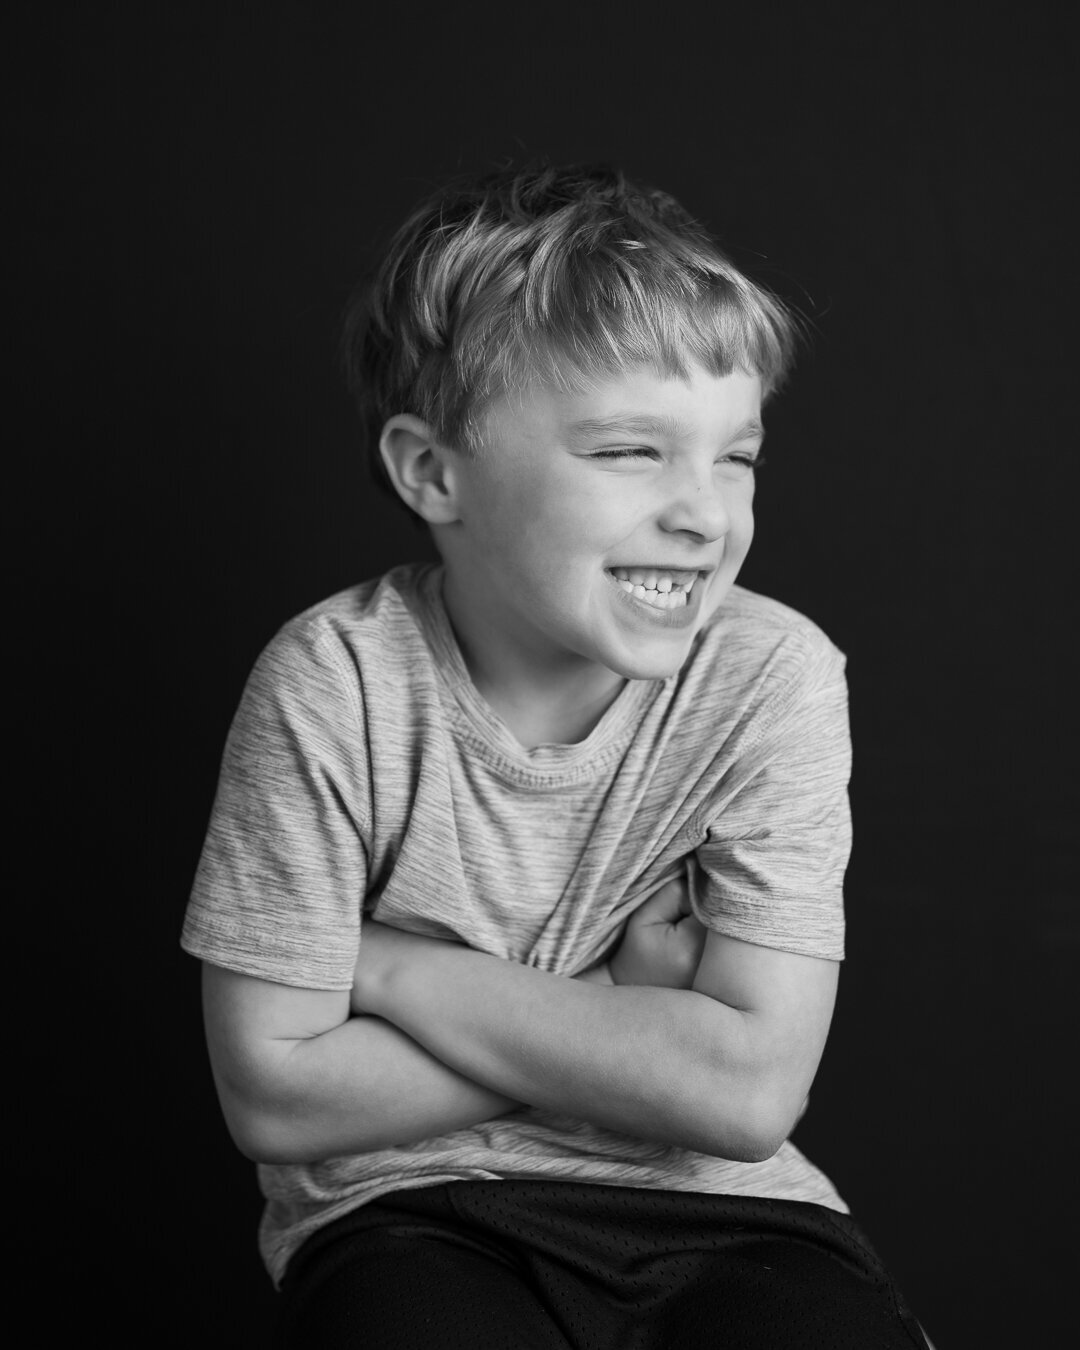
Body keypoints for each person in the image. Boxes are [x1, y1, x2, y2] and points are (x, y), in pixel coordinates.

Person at [183, 163, 931, 1347]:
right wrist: (622, 1015)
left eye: (737, 455)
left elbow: (743, 1094)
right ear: (434, 472)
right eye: (632, 451)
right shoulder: (332, 683)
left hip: (725, 1218)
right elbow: (276, 1096)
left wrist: (392, 975)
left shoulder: (772, 676)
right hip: (403, 1212)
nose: (707, 513)